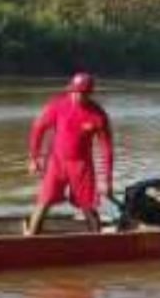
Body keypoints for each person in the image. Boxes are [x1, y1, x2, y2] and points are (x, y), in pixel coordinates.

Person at [25, 73, 114, 235]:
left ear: (89, 93)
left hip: (82, 165)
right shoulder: (57, 106)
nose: (76, 95)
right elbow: (38, 129)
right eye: (74, 91)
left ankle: (98, 240)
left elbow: (106, 149)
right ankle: (31, 238)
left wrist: (106, 181)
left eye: (82, 93)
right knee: (44, 202)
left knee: (88, 206)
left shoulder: (98, 115)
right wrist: (34, 158)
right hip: (56, 162)